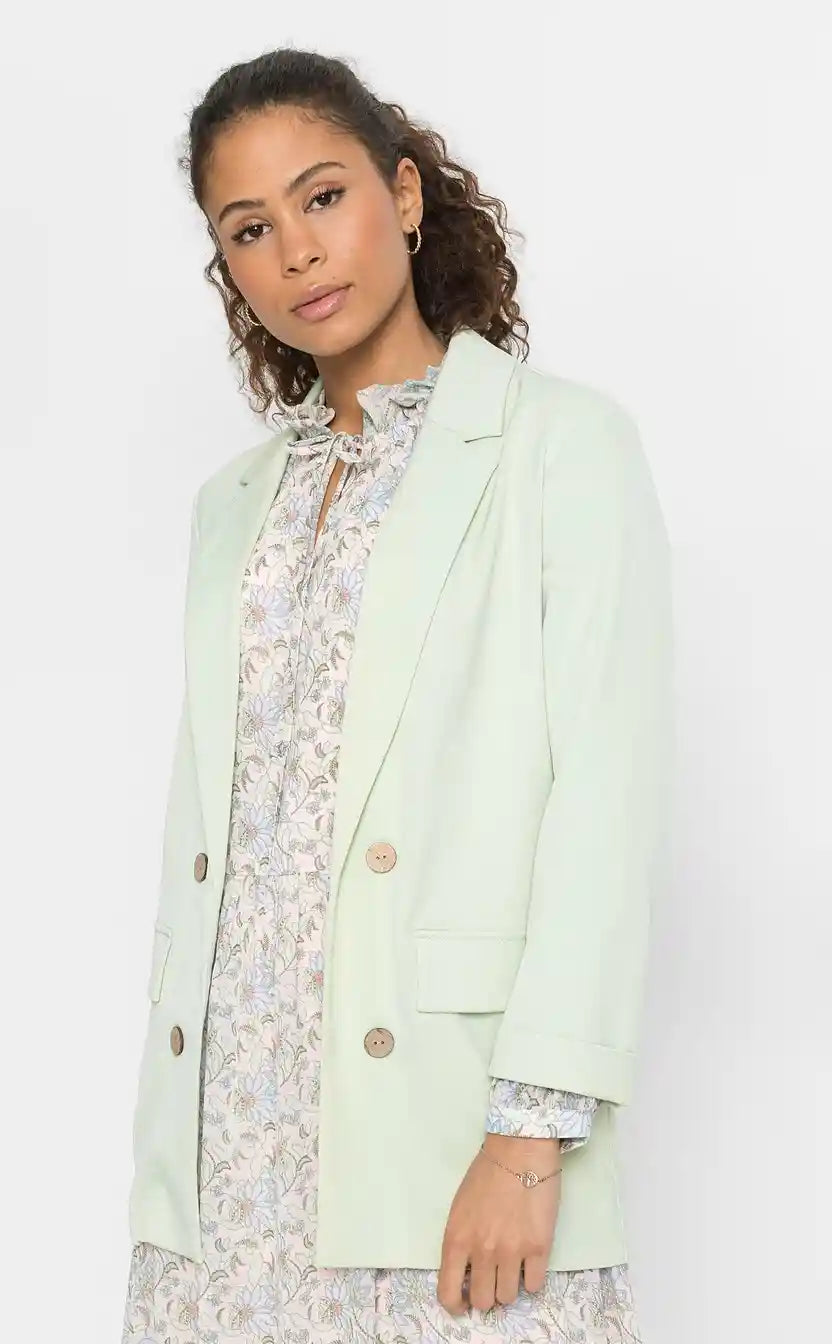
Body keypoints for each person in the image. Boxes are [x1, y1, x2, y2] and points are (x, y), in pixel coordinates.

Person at [121, 47, 673, 1344]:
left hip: (444, 1134)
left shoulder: (559, 449)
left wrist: (528, 1141)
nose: (298, 253)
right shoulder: (232, 508)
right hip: (224, 1163)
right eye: (249, 229)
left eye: (323, 197)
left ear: (406, 194)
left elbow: (605, 802)